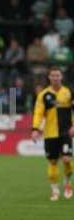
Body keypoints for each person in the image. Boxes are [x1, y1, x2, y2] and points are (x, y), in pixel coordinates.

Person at [32, 66, 73, 201]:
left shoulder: (68, 92)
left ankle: (67, 183)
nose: (55, 78)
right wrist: (35, 129)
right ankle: (55, 190)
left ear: (61, 77)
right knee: (53, 161)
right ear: (49, 77)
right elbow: (38, 113)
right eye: (53, 76)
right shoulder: (43, 95)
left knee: (67, 160)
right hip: (50, 133)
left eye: (58, 75)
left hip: (66, 132)